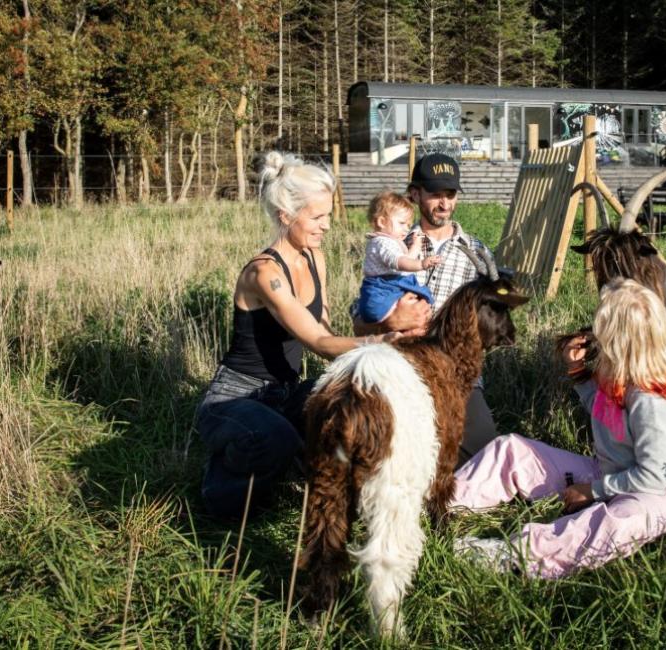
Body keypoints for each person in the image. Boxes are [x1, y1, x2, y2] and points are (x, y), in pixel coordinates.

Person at [197, 151, 428, 520]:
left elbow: (327, 337)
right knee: (276, 442)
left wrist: (387, 334)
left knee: (349, 403)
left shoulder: (314, 257)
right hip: (234, 399)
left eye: (328, 217)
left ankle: (305, 476)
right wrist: (379, 343)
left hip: (286, 393)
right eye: (317, 217)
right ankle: (219, 483)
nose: (326, 226)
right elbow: (316, 342)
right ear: (286, 216)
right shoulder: (263, 274)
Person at [448, 279, 666, 579]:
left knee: (614, 521)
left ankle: (517, 557)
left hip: (661, 495)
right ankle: (442, 504)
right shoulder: (625, 375)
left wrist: (592, 491)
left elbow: (654, 476)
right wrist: (578, 373)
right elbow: (606, 414)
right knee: (511, 449)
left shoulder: (651, 400)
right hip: (610, 472)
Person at [355, 152, 500, 460]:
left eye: (450, 194)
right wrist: (392, 322)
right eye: (435, 194)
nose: (444, 203)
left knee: (482, 447)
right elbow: (359, 321)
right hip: (398, 363)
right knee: (369, 439)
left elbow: (489, 330)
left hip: (454, 370)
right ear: (415, 194)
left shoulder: (477, 253)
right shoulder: (388, 246)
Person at [354, 191, 439, 326]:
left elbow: (406, 259)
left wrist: (416, 246)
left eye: (409, 225)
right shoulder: (381, 242)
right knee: (420, 298)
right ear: (382, 222)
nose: (406, 229)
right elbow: (399, 262)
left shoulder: (392, 241)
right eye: (402, 223)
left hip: (392, 283)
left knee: (422, 298)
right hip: (384, 286)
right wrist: (421, 264)